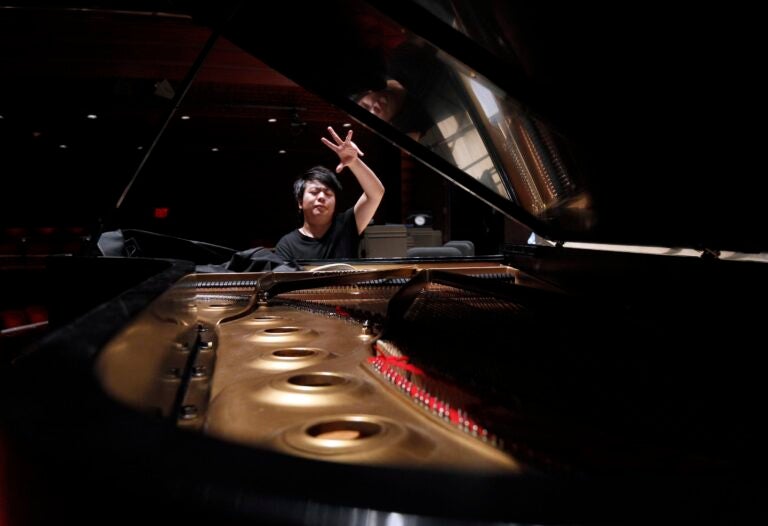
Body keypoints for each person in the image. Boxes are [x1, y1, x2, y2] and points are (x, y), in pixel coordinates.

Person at [274, 126, 385, 262]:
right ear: (300, 202)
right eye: (314, 192)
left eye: (328, 193)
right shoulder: (286, 245)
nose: (321, 197)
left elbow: (376, 193)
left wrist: (354, 162)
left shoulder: (347, 225)